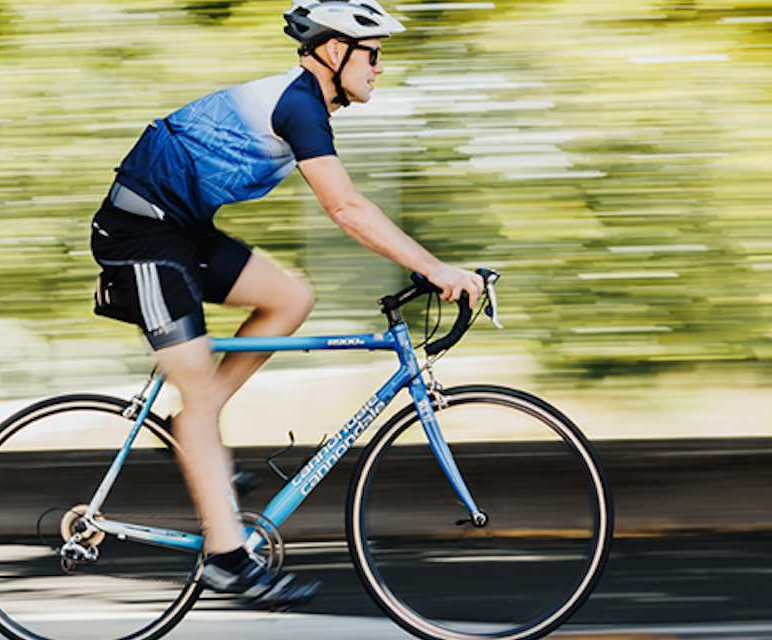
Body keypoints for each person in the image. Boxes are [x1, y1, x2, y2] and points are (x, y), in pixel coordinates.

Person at [89, 0, 484, 610]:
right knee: (197, 404)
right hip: (140, 236)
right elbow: (346, 208)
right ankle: (225, 560)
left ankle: (197, 432)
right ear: (334, 51)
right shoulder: (299, 104)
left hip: (181, 230)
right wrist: (433, 267)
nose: (379, 67)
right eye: (373, 54)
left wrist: (428, 265)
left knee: (291, 296)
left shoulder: (306, 105)